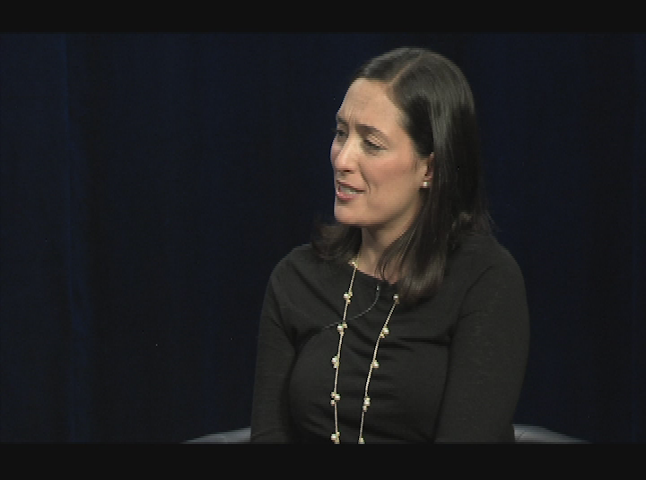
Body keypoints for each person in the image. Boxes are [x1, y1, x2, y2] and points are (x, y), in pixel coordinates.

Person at [250, 47, 530, 443]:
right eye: (341, 133)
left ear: (430, 168)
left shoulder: (484, 279)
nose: (342, 160)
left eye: (372, 143)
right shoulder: (296, 277)